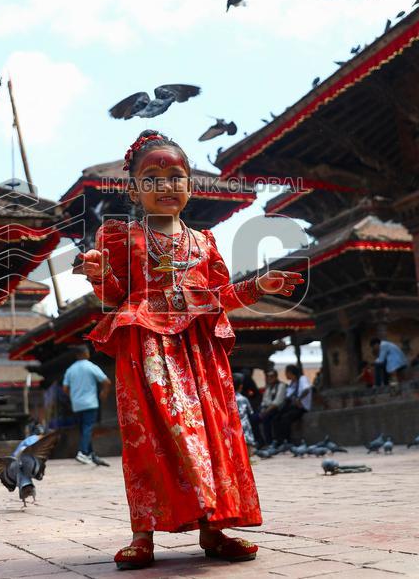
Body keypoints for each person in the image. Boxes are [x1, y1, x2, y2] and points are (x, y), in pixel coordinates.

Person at [77, 130, 304, 569]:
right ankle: (143, 534)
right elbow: (115, 297)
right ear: (135, 188)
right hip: (147, 347)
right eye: (153, 177)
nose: (166, 185)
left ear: (190, 185)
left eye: (175, 175)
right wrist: (99, 274)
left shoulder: (204, 242)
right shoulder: (121, 237)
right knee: (152, 438)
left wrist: (260, 285)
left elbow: (219, 296)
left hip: (201, 352)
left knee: (212, 436)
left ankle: (214, 530)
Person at [62, 345, 112, 467]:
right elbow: (106, 381)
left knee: (84, 428)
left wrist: (73, 396)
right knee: (88, 428)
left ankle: (91, 454)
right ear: (85, 354)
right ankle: (83, 452)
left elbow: (65, 388)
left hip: (77, 404)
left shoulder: (70, 369)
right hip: (90, 403)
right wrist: (103, 393)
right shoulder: (90, 366)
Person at [269, 365, 311, 451]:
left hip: (301, 408)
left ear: (291, 373)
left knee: (286, 418)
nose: (285, 375)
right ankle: (278, 441)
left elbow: (307, 389)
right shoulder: (292, 383)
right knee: (276, 417)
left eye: (286, 373)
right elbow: (288, 396)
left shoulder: (302, 379)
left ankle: (287, 441)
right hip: (292, 406)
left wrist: (299, 399)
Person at [255, 368, 287, 450]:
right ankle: (260, 441)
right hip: (266, 409)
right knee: (253, 418)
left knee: (266, 418)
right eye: (268, 376)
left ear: (276, 377)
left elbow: (277, 402)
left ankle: (269, 442)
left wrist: (265, 411)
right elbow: (264, 400)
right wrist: (262, 410)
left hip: (277, 410)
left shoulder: (281, 386)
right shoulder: (268, 387)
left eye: (271, 376)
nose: (269, 378)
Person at [233, 373, 256, 452]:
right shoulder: (243, 399)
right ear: (241, 386)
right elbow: (251, 412)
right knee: (247, 445)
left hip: (233, 425)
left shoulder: (227, 399)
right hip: (244, 425)